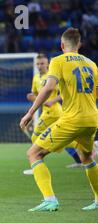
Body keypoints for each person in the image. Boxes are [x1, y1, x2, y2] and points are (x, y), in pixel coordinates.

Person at [20, 28, 98, 212]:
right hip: (92, 119)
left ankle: (49, 199)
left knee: (34, 153)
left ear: (62, 45)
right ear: (79, 44)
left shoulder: (58, 61)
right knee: (86, 156)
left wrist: (30, 112)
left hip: (72, 118)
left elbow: (48, 88)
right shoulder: (92, 64)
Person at [22, 53, 82, 175]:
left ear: (48, 63)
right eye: (38, 63)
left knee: (36, 136)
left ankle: (36, 165)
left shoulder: (53, 76)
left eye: (42, 63)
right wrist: (32, 97)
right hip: (46, 113)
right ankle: (84, 148)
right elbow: (36, 94)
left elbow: (63, 92)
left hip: (55, 112)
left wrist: (53, 100)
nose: (40, 66)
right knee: (61, 138)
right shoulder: (36, 78)